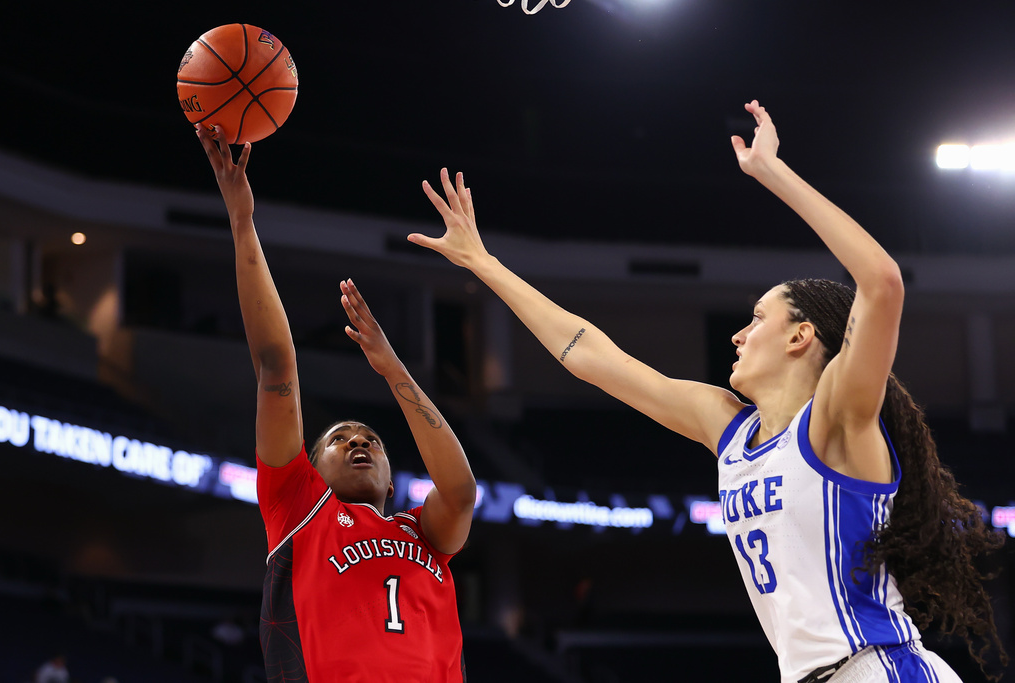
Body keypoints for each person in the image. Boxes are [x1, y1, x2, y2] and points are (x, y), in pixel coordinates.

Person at [413, 101, 1007, 682]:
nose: (738, 333)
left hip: (879, 668)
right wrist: (485, 264)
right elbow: (591, 355)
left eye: (757, 318)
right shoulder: (728, 426)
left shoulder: (837, 420)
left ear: (802, 335)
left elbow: (880, 282)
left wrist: (773, 173)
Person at [197, 124, 477, 682]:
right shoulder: (300, 506)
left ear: (394, 482)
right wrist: (242, 221)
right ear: (312, 469)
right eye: (339, 439)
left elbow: (461, 491)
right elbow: (277, 365)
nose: (358, 442)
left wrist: (394, 369)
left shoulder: (424, 534)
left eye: (370, 440)